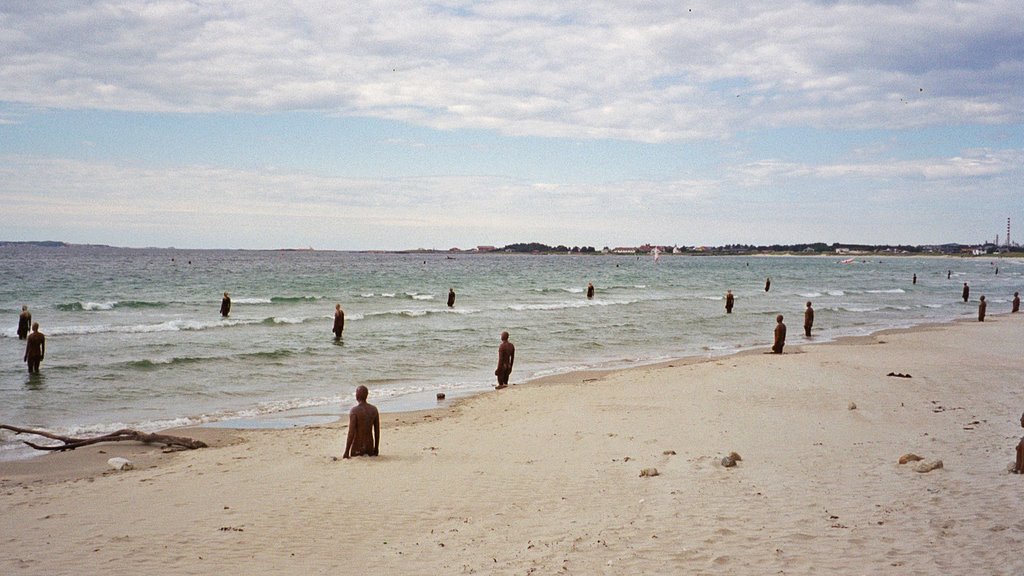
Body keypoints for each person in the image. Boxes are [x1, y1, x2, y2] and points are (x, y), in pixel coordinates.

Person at [343, 385, 379, 459]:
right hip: (369, 448)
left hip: (357, 449)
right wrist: (376, 449)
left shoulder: (354, 411)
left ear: (357, 396)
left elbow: (351, 433)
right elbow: (377, 431)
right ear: (366, 395)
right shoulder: (374, 410)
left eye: (356, 393)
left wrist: (346, 451)